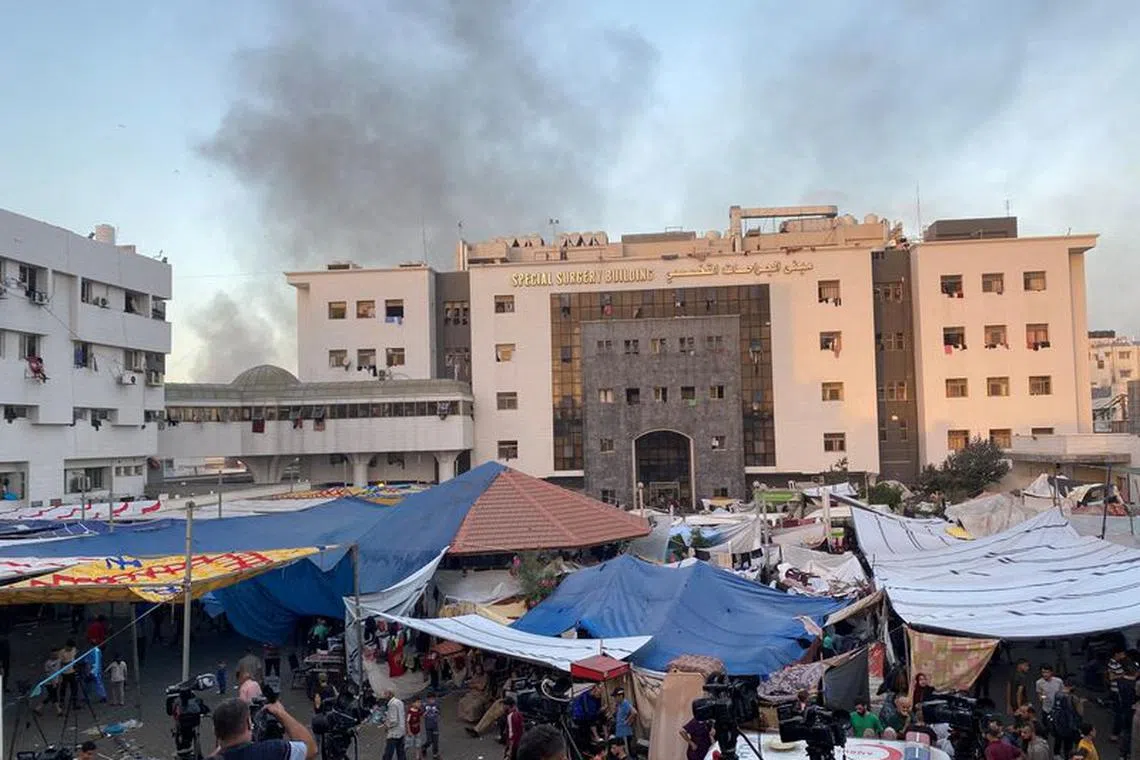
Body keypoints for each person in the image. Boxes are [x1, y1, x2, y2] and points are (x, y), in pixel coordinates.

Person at [210, 695, 317, 760]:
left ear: (215, 732)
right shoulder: (273, 751)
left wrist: (221, 747)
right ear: (248, 723)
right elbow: (310, 749)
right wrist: (281, 714)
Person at [1108, 647, 1137, 742]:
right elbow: (1111, 677)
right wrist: (1123, 675)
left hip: (1124, 690)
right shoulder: (1113, 663)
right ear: (1117, 654)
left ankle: (1119, 733)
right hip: (1117, 691)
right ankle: (1116, 734)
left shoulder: (1122, 662)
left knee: (1124, 712)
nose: (1124, 655)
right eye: (1122, 653)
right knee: (1120, 713)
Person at [1051, 682, 1082, 760]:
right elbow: (1080, 713)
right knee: (1068, 745)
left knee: (1058, 740)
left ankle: (1056, 754)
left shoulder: (1057, 695)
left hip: (1058, 724)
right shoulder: (1074, 698)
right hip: (1069, 726)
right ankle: (1067, 757)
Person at [382, 689, 407, 760]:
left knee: (388, 753)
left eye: (385, 694)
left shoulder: (392, 704)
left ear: (390, 694)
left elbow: (394, 721)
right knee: (401, 752)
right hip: (401, 731)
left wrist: (387, 726)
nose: (384, 696)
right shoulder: (400, 702)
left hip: (394, 733)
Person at [612, 687, 637, 755]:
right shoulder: (619, 704)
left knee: (627, 751)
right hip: (620, 732)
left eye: (615, 697)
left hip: (625, 732)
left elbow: (634, 712)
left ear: (620, 696)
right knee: (622, 751)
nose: (614, 698)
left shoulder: (625, 703)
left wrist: (627, 721)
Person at [59, 639, 79, 709]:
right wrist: (69, 663)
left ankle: (74, 703)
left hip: (72, 672)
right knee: (63, 688)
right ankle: (61, 702)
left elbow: (76, 654)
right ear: (66, 646)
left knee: (74, 688)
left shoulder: (74, 649)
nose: (70, 649)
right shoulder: (61, 652)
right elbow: (60, 663)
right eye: (69, 648)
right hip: (65, 673)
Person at [423, 694, 441, 760]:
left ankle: (435, 754)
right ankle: (424, 747)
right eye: (430, 699)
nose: (432, 700)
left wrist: (437, 713)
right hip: (428, 726)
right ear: (427, 699)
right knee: (429, 740)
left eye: (433, 699)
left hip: (435, 726)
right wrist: (426, 712)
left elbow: (439, 714)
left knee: (435, 741)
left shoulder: (437, 705)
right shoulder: (425, 705)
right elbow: (422, 715)